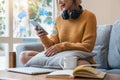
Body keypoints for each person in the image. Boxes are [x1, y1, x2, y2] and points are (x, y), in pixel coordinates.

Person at [19, 0, 97, 66]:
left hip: (76, 58)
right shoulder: (58, 19)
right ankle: (57, 67)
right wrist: (43, 37)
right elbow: (50, 47)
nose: (59, 2)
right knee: (24, 56)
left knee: (82, 64)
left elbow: (88, 46)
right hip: (58, 57)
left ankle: (52, 67)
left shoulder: (89, 16)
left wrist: (62, 46)